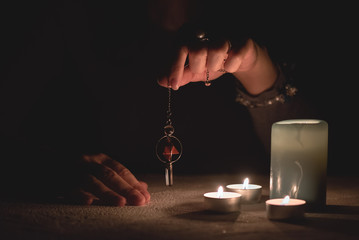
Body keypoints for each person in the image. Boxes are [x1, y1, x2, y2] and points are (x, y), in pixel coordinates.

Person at [0, 1, 322, 206]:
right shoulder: (70, 17)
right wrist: (43, 163)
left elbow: (313, 162)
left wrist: (256, 67)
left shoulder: (258, 13)